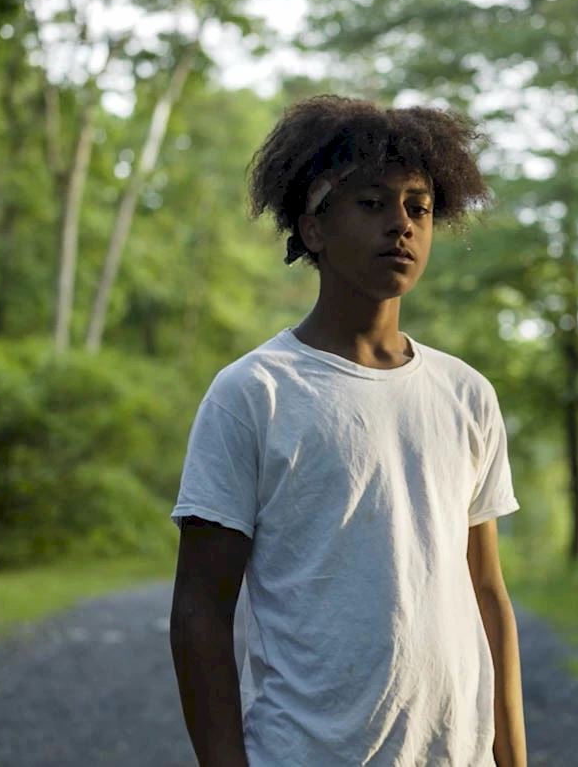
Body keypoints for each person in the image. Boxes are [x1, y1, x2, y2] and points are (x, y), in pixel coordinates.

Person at [167, 95, 526, 767]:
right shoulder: (254, 393)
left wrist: (513, 758)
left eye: (419, 207)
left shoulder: (466, 394)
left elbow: (486, 593)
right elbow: (200, 613)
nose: (402, 224)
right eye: (372, 203)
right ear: (313, 227)